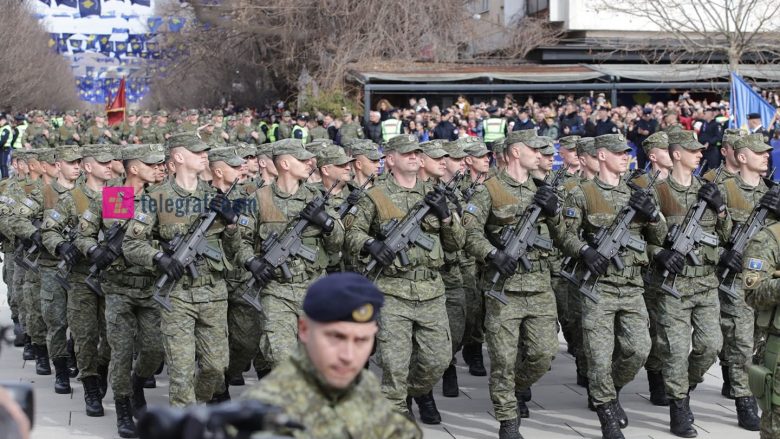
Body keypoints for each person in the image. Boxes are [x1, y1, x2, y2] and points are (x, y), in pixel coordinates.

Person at [344, 134, 464, 423]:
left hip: (431, 291)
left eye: (417, 152)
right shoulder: (375, 195)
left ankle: (413, 393)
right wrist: (372, 245)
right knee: (394, 366)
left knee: (437, 359)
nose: (414, 156)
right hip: (391, 290)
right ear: (391, 159)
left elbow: (456, 243)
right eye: (407, 152)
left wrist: (447, 217)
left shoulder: (437, 193)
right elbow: (350, 233)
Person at [122, 133, 241, 407]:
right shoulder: (156, 197)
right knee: (181, 371)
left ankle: (194, 406)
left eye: (204, 151)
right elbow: (131, 244)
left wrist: (232, 224)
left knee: (216, 367)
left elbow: (234, 250)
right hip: (176, 296)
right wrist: (158, 258)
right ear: (178, 157)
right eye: (196, 151)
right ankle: (184, 421)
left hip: (213, 292)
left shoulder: (215, 196)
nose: (204, 155)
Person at [561, 133, 667, 439]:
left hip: (632, 285)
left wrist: (653, 215)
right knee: (598, 354)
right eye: (619, 152)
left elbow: (657, 239)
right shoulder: (581, 193)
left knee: (638, 350)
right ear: (602, 155)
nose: (626, 157)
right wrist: (584, 251)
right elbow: (566, 235)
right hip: (597, 288)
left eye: (627, 153)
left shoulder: (636, 194)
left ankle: (612, 387)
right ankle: (606, 410)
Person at [462, 130, 560, 439]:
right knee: (503, 359)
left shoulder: (542, 190)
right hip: (503, 289)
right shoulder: (488, 189)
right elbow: (469, 233)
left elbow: (562, 235)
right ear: (516, 152)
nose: (540, 155)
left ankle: (515, 389)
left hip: (540, 287)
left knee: (544, 354)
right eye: (534, 149)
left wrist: (554, 213)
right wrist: (492, 253)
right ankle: (508, 420)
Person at [241, 272, 421, 439]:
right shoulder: (266, 409)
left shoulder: (365, 385)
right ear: (304, 330)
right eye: (336, 337)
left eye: (361, 340)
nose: (348, 356)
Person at [76, 144, 168, 438]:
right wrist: (92, 250)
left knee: (154, 350)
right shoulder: (117, 196)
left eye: (159, 164)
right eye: (151, 164)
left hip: (152, 286)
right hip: (118, 288)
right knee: (122, 350)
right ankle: (124, 406)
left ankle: (138, 383)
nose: (158, 168)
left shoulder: (161, 198)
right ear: (133, 169)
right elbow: (84, 233)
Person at [649, 130, 729, 438]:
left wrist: (720, 207)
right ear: (676, 154)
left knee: (710, 346)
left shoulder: (707, 190)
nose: (699, 154)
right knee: (676, 350)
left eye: (700, 150)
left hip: (706, 283)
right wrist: (659, 253)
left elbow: (726, 235)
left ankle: (684, 385)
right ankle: (679, 405)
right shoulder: (658, 192)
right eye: (693, 150)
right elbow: (640, 239)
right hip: (673, 286)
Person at [41, 144, 113, 417]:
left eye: (111, 161)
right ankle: (90, 387)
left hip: (112, 280)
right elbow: (49, 231)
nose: (109, 166)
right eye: (103, 162)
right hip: (82, 277)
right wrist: (62, 246)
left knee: (112, 337)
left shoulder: (119, 195)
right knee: (84, 336)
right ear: (87, 166)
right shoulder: (72, 197)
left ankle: (102, 370)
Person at [714, 133, 769, 431]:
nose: (766, 156)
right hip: (736, 280)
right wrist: (724, 254)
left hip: (766, 279)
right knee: (741, 342)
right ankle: (744, 400)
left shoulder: (771, 192)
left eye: (767, 152)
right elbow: (711, 236)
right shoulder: (722, 190)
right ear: (742, 157)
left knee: (764, 341)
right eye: (758, 152)